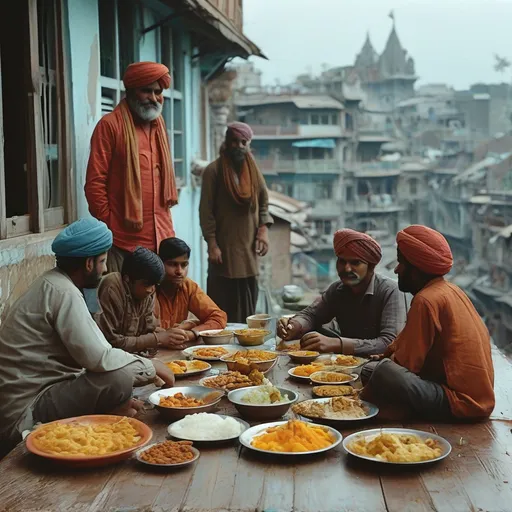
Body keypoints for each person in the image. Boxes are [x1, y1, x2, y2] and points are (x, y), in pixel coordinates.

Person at [0, 218, 175, 449]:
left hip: (47, 392)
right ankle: (106, 413)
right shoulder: (63, 292)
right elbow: (99, 358)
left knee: (119, 376)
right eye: (102, 261)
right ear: (89, 264)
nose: (104, 269)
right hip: (26, 412)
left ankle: (108, 411)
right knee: (119, 379)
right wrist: (151, 367)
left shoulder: (58, 284)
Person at [360, 225, 495, 420]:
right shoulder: (450, 290)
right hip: (472, 397)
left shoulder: (426, 299)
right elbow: (410, 346)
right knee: (373, 369)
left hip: (461, 403)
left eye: (401, 263)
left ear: (416, 270)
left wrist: (360, 398)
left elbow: (405, 364)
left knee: (381, 371)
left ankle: (373, 412)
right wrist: (386, 356)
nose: (396, 270)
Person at [85, 61, 178, 273]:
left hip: (162, 238)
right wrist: (112, 223)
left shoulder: (159, 126)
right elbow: (94, 185)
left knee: (156, 304)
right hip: (124, 243)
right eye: (146, 91)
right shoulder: (110, 126)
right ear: (131, 91)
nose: (154, 98)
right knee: (125, 303)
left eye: (158, 92)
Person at [277, 229, 407, 356]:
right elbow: (311, 315)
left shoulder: (390, 291)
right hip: (344, 363)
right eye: (342, 261)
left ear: (371, 267)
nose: (347, 268)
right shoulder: (337, 290)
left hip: (379, 366)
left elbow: (389, 343)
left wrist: (336, 344)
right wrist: (293, 326)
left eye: (355, 262)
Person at [200, 122, 273, 323]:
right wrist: (212, 245)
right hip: (224, 253)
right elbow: (205, 212)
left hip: (248, 253)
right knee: (222, 308)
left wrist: (263, 230)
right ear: (227, 142)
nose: (239, 146)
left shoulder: (253, 170)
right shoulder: (213, 171)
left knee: (249, 310)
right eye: (235, 141)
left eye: (244, 142)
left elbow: (264, 202)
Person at [95, 246, 181, 354]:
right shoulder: (111, 288)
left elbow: (148, 330)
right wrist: (157, 338)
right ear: (127, 279)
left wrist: (171, 336)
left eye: (154, 284)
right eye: (146, 284)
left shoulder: (148, 291)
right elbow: (112, 343)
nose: (150, 290)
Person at [156, 237, 227, 347]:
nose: (180, 271)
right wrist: (188, 326)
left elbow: (218, 318)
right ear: (160, 263)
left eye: (184, 265)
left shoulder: (188, 286)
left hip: (179, 348)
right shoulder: (149, 288)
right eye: (172, 264)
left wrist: (192, 333)